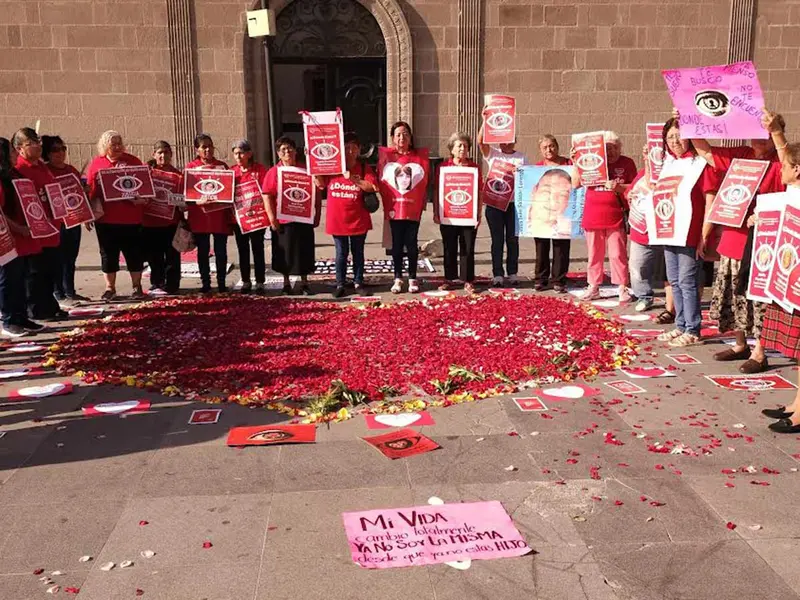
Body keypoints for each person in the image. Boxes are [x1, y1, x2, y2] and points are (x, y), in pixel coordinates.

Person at [689, 113, 786, 374]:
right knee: (735, 294)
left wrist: (777, 134)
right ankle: (740, 344)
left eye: (766, 133)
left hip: (762, 240)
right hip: (733, 236)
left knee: (758, 300)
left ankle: (760, 352)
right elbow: (705, 151)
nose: (760, 138)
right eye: (756, 131)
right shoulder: (741, 153)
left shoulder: (780, 160)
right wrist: (688, 117)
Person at [755, 112, 800, 433]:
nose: (779, 167)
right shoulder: (794, 189)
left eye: (785, 166)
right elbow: (787, 154)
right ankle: (798, 403)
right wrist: (774, 131)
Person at [654, 118, 716, 348]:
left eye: (678, 136)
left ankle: (693, 328)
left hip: (690, 233)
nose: (674, 141)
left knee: (688, 281)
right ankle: (680, 324)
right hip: (669, 231)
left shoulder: (700, 164)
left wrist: (704, 233)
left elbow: (710, 199)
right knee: (675, 281)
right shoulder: (670, 164)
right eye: (669, 138)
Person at [84, 130, 147, 301]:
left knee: (134, 253)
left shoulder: (133, 161)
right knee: (108, 254)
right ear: (105, 146)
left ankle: (137, 287)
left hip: (131, 218)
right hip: (106, 219)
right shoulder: (97, 163)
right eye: (114, 144)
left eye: (120, 143)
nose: (118, 147)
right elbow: (90, 191)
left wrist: (141, 199)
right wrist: (87, 215)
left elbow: (145, 187)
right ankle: (110, 288)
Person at [12, 128, 67, 320]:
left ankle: (49, 305)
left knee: (51, 269)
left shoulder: (43, 167)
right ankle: (36, 309)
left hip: (51, 227)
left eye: (38, 142)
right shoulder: (19, 170)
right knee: (35, 273)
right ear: (19, 148)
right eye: (31, 143)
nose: (37, 146)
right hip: (34, 230)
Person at [316, 132, 378, 298]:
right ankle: (340, 283)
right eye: (346, 147)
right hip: (338, 220)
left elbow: (372, 187)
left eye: (353, 147)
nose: (350, 151)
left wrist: (353, 179)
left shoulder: (364, 168)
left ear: (358, 150)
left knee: (358, 252)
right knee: (341, 253)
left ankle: (358, 282)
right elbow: (321, 184)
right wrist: (313, 165)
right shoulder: (332, 168)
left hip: (358, 220)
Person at [576, 131, 636, 302]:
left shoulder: (627, 163)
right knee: (594, 253)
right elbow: (575, 183)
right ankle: (593, 286)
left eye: (615, 148)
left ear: (620, 148)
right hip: (593, 215)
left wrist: (619, 187)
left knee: (618, 254)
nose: (611, 152)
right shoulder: (591, 162)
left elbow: (634, 186)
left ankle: (622, 286)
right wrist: (576, 162)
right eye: (607, 148)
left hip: (615, 216)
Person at [262, 136, 321, 295]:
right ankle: (286, 283)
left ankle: (305, 282)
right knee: (284, 253)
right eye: (283, 150)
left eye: (289, 148)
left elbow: (316, 193)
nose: (287, 152)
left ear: (295, 150)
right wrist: (272, 219)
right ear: (278, 154)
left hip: (304, 219)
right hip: (283, 220)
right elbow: (266, 196)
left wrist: (317, 215)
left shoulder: (306, 170)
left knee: (304, 251)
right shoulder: (273, 172)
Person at [0, 138, 45, 337]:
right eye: (11, 150)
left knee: (18, 277)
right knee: (7, 279)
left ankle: (20, 316)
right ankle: (8, 320)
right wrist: (17, 227)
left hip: (19, 237)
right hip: (6, 235)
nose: (15, 154)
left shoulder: (12, 174)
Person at [381, 121, 429, 294]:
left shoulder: (419, 158)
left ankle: (413, 278)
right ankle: (398, 278)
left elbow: (423, 182)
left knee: (411, 242)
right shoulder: (387, 157)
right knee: (396, 244)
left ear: (410, 137)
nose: (402, 137)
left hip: (412, 208)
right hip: (395, 207)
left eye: (405, 134)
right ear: (393, 138)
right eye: (398, 134)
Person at [42, 135, 90, 303]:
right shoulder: (45, 171)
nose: (60, 153)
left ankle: (70, 290)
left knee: (71, 258)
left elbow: (80, 195)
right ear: (47, 153)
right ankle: (58, 292)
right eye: (55, 150)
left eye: (63, 148)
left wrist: (85, 193)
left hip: (74, 220)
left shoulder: (71, 170)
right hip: (57, 222)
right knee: (58, 259)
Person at [478, 123, 527, 287]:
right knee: (497, 240)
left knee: (513, 240)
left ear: (515, 140)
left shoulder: (521, 158)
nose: (506, 143)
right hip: (494, 205)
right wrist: (486, 120)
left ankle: (512, 273)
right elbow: (480, 142)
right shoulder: (493, 154)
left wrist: (519, 175)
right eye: (503, 140)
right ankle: (497, 274)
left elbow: (527, 180)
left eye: (510, 140)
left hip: (514, 205)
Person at [433, 132, 481, 293]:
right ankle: (449, 278)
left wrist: (478, 214)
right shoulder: (443, 168)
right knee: (449, 246)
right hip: (449, 215)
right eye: (459, 145)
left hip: (468, 215)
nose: (462, 148)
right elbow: (436, 191)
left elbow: (478, 192)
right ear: (451, 149)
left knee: (467, 247)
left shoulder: (474, 168)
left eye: (465, 146)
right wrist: (436, 212)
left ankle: (468, 279)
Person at [185, 133, 232, 293]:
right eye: (204, 147)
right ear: (196, 149)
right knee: (203, 252)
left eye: (210, 146)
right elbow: (186, 195)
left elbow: (230, 191)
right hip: (200, 217)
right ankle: (205, 283)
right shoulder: (191, 168)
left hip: (220, 217)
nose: (208, 150)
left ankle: (222, 283)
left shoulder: (223, 166)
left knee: (221, 251)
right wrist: (197, 201)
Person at [534, 134, 572, 292]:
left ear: (557, 146)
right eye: (545, 147)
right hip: (543, 212)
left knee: (561, 246)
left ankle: (559, 280)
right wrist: (519, 173)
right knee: (541, 246)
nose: (549, 150)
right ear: (540, 151)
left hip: (562, 210)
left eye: (551, 146)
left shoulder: (569, 163)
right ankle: (541, 279)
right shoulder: (537, 167)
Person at [230, 139, 268, 294]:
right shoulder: (232, 172)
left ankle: (260, 282)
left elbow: (266, 192)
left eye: (241, 153)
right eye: (235, 153)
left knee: (258, 249)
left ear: (249, 154)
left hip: (257, 218)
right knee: (242, 250)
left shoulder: (259, 170)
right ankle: (246, 281)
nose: (238, 156)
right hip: (239, 220)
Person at [144, 140, 182, 296]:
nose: (163, 155)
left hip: (171, 221)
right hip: (150, 221)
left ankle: (172, 284)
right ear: (154, 154)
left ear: (171, 154)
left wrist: (179, 202)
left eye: (166, 152)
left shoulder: (178, 175)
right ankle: (157, 282)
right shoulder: (147, 172)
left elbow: (182, 199)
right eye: (160, 152)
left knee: (172, 254)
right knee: (154, 255)